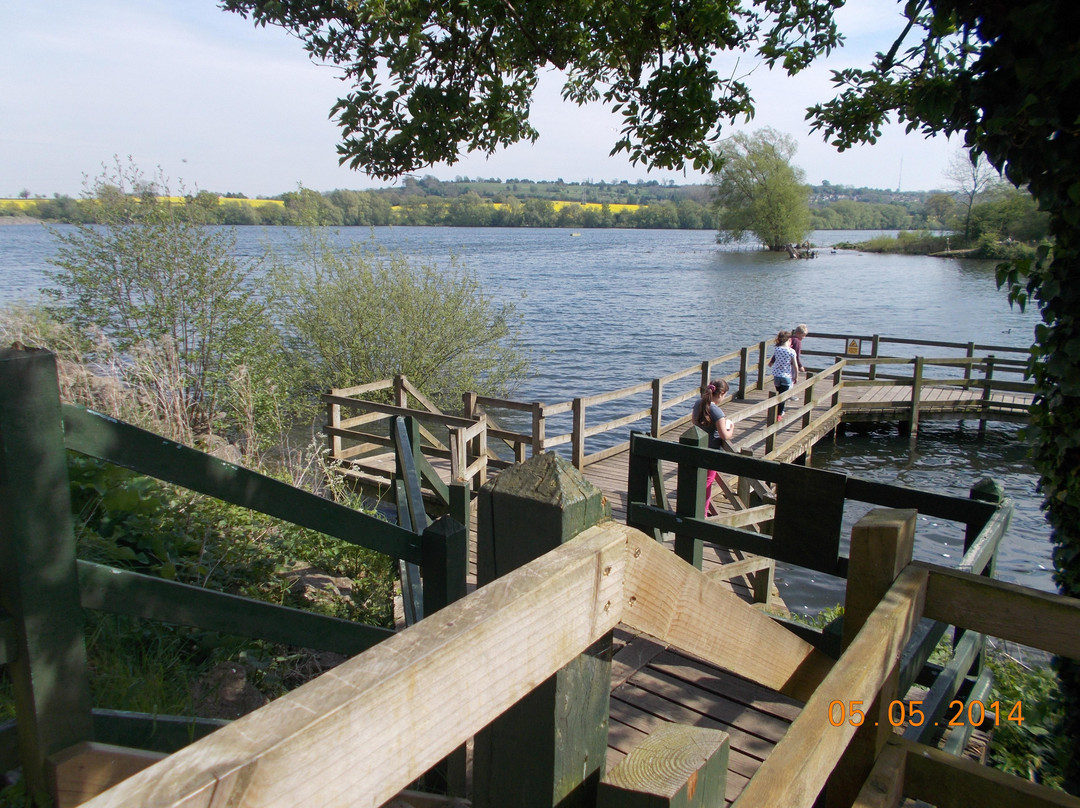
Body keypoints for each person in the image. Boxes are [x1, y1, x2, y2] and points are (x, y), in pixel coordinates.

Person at [691, 379, 735, 516]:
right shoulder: (717, 411)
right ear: (721, 393)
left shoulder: (698, 403)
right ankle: (702, 513)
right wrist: (731, 427)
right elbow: (724, 435)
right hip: (711, 452)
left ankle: (694, 508)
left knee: (697, 480)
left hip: (698, 448)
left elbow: (694, 423)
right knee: (707, 484)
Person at [768, 330, 799, 421]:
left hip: (776, 376)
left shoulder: (777, 349)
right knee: (783, 397)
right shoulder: (791, 351)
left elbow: (774, 359)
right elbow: (795, 366)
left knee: (779, 394)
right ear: (789, 340)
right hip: (786, 376)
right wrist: (796, 376)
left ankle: (779, 411)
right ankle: (779, 414)